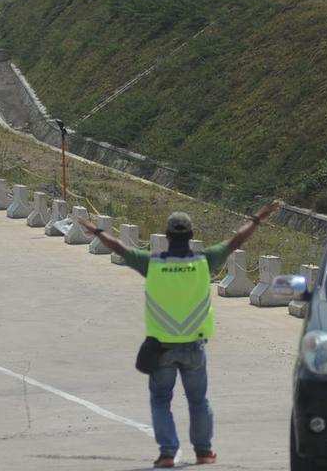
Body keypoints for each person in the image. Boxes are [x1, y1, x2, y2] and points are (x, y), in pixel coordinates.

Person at [83, 199, 283, 469]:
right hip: (194, 347)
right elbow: (235, 241)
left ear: (166, 237)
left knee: (161, 399)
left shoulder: (152, 263)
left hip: (161, 348)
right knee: (198, 401)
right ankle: (203, 452)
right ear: (191, 236)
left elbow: (120, 248)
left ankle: (167, 453)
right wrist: (259, 216)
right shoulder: (204, 261)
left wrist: (97, 231)